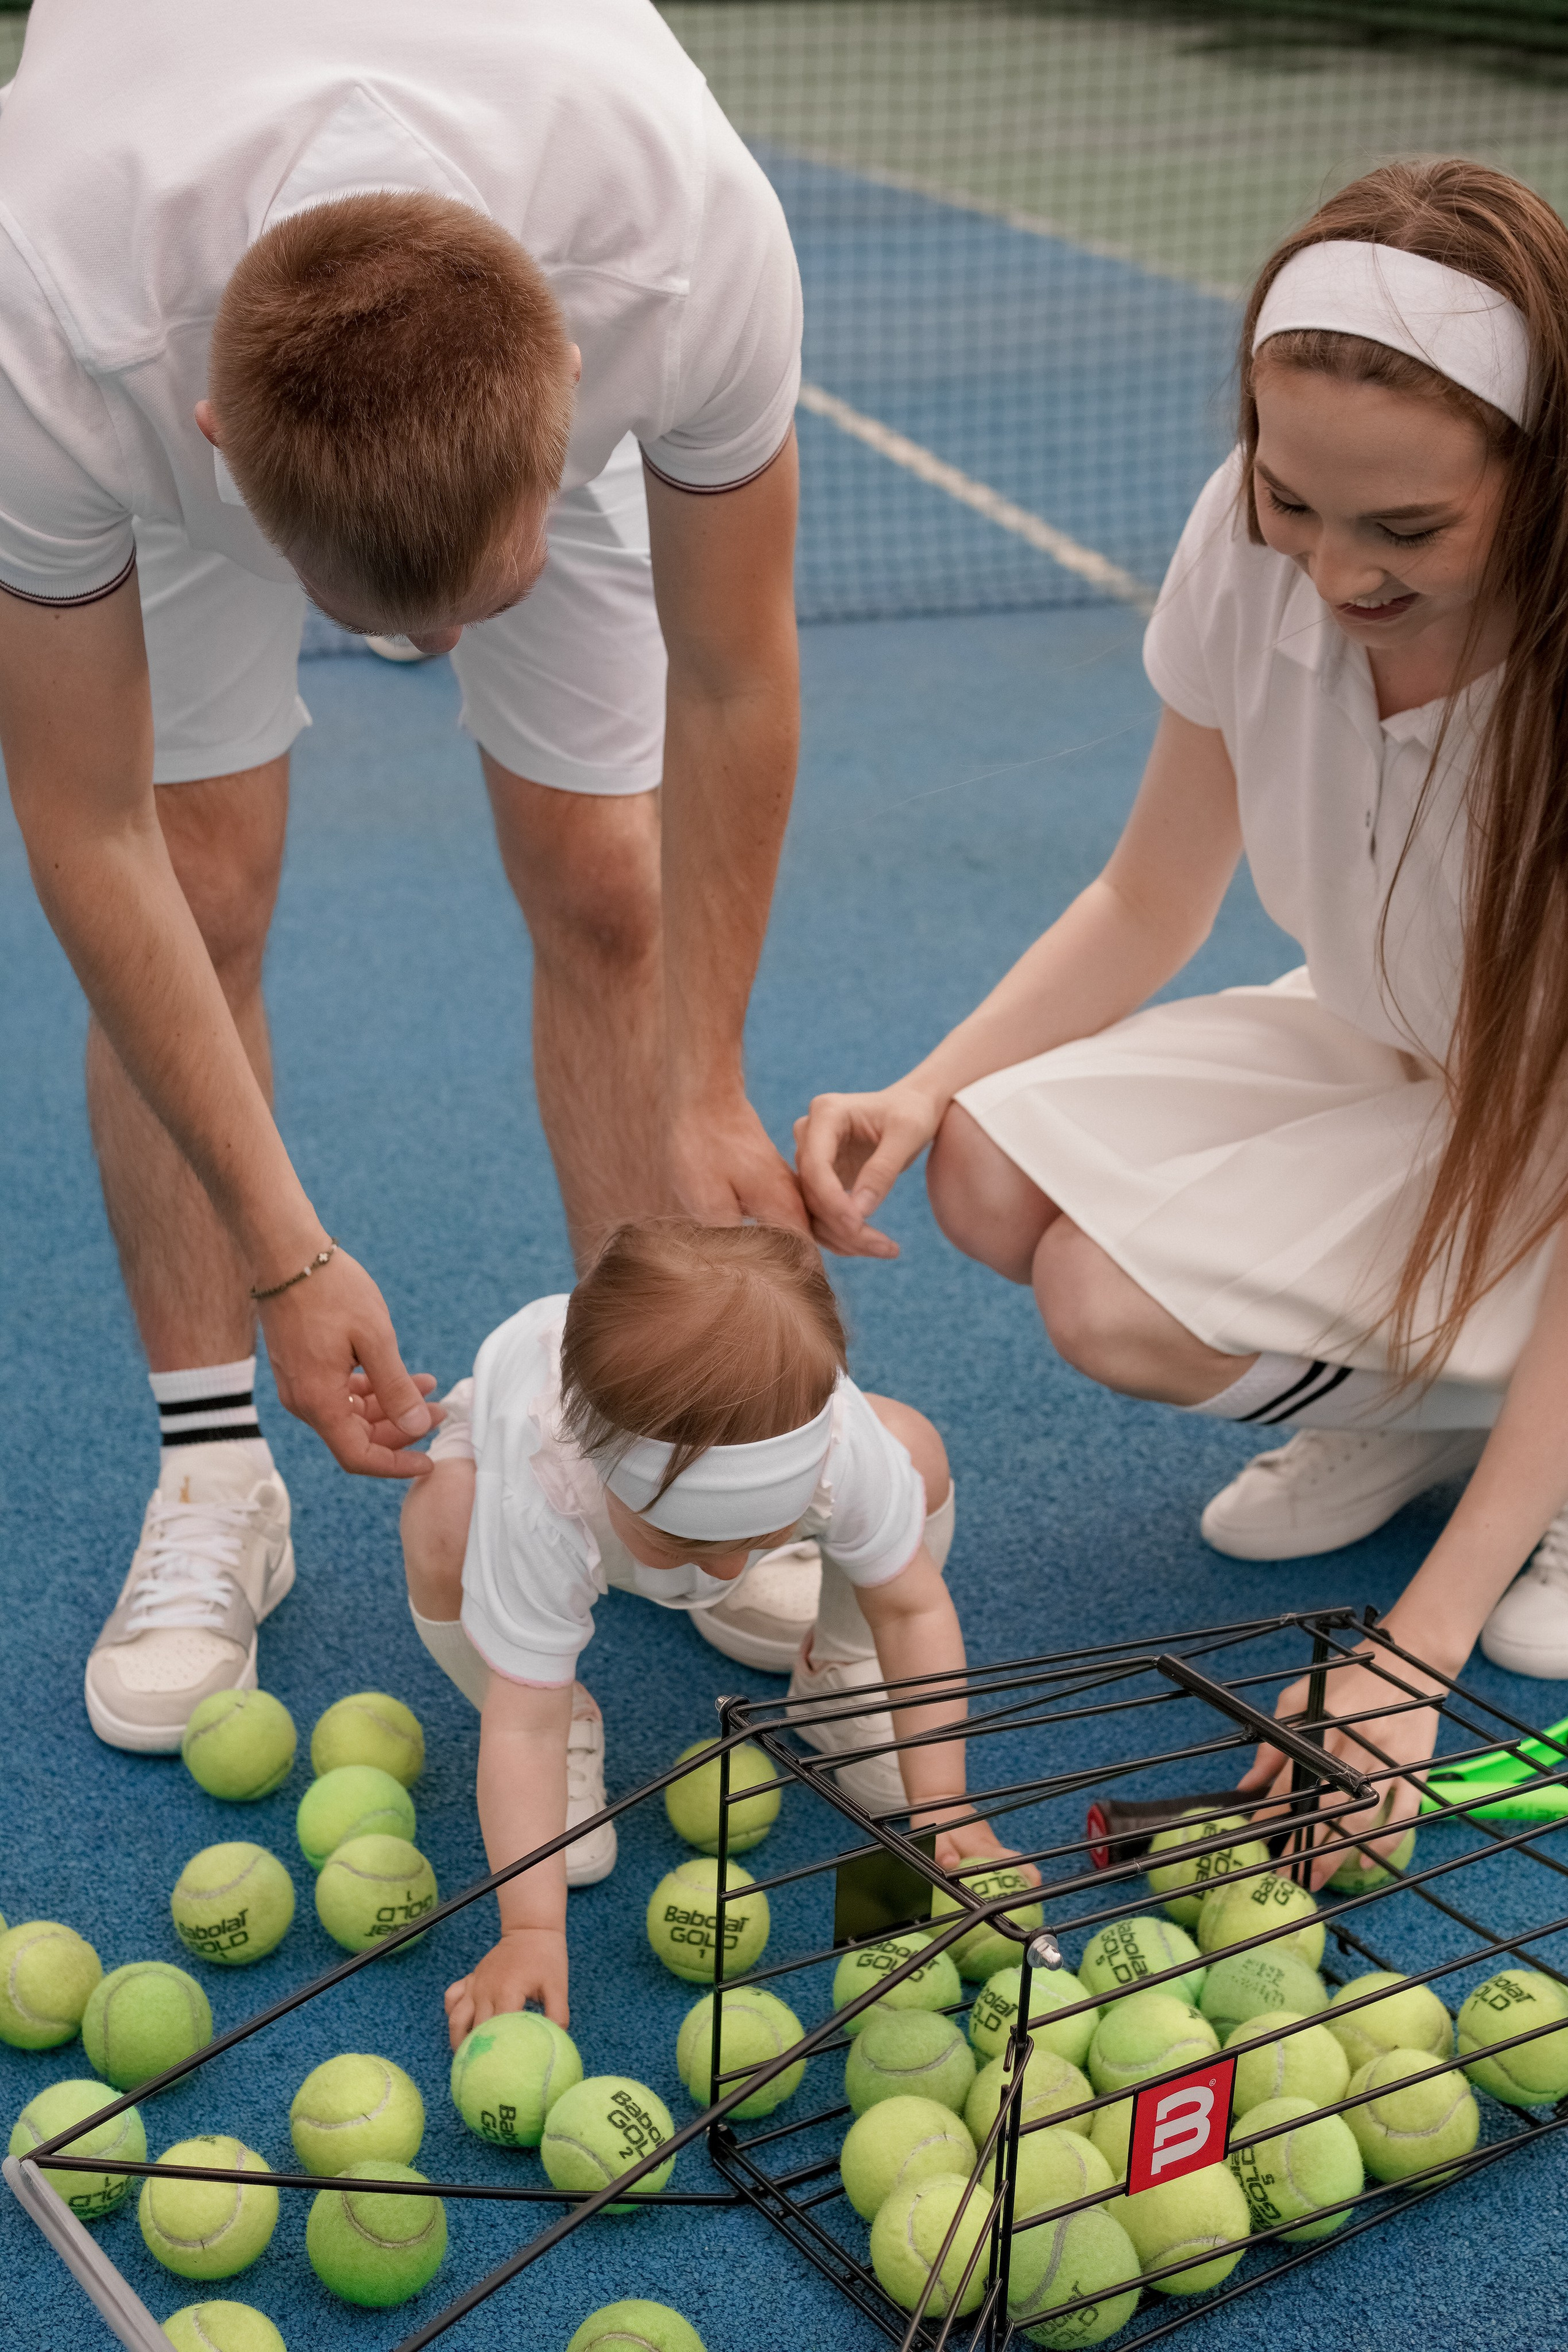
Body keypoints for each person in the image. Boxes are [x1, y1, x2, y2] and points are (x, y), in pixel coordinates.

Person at [0, 0, 814, 1752]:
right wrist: (291, 1263)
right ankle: (219, 1477)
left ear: (572, 398)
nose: (440, 651)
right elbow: (87, 827)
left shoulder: (683, 240)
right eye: (401, 625)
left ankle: (648, 1445)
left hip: (535, 298)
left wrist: (711, 1077)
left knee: (606, 876)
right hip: (155, 381)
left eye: (478, 596)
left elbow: (736, 668)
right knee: (202, 886)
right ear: (219, 440)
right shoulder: (50, 328)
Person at [796, 158, 1568, 1877]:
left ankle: (1531, 1476)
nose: (1335, 573)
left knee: (1109, 1299)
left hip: (1551, 1138)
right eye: (1300, 502)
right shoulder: (1248, 533)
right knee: (989, 1171)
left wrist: (1411, 1652)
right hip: (1388, 1040)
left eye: (1411, 532)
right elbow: (1153, 895)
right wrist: (927, 1087)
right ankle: (1425, 1405)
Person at [398, 1218, 1005, 2039]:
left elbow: (913, 1606)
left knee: (915, 1453)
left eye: (758, 1542)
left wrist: (945, 1807)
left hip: (672, 1491)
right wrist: (530, 1931)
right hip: (551, 1491)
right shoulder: (544, 1485)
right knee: (443, 1519)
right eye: (688, 1545)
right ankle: (570, 1705)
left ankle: (836, 1672)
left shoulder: (838, 1442)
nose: (726, 1575)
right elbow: (519, 1732)